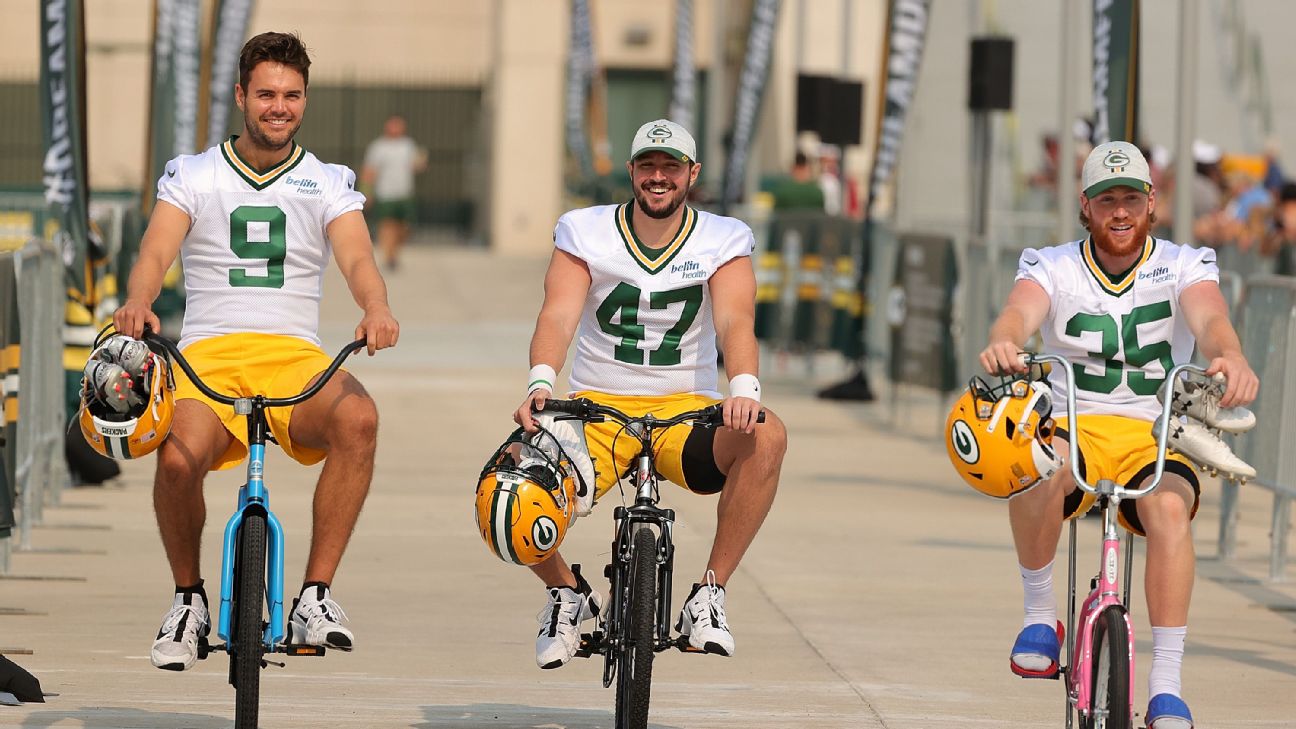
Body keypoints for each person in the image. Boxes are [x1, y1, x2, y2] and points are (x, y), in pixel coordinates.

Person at [113, 31, 400, 672]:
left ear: (305, 99)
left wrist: (375, 306)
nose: (279, 106)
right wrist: (138, 301)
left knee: (360, 419)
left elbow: (356, 256)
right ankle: (188, 599)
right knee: (178, 463)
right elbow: (155, 251)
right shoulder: (194, 174)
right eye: (266, 93)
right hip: (207, 357)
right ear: (241, 95)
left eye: (292, 95)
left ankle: (316, 596)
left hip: (294, 356)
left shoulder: (326, 181)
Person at [980, 141, 1259, 729]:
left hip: (1154, 433)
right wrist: (1007, 339)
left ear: (1151, 201)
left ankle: (1166, 684)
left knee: (1167, 513)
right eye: (1107, 200)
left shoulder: (1183, 263)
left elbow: (1210, 318)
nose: (1120, 211)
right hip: (1074, 425)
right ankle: (1039, 614)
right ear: (1085, 206)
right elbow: (1019, 312)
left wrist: (1229, 356)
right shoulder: (1052, 265)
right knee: (1034, 466)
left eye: (1131, 197)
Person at [511, 118, 787, 668]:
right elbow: (559, 313)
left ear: (692, 173)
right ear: (632, 171)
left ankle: (710, 592)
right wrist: (541, 382)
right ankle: (566, 593)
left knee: (767, 436)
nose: (659, 177)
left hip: (686, 412)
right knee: (507, 490)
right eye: (648, 166)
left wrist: (745, 390)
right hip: (596, 408)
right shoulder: (585, 230)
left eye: (671, 166)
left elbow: (736, 320)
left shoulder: (721, 237)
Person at [361, 115, 427, 271]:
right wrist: (366, 192)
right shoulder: (378, 147)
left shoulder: (408, 145)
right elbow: (369, 171)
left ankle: (394, 252)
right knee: (387, 225)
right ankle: (389, 257)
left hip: (405, 193)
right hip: (385, 194)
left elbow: (416, 166)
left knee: (404, 227)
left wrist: (421, 162)